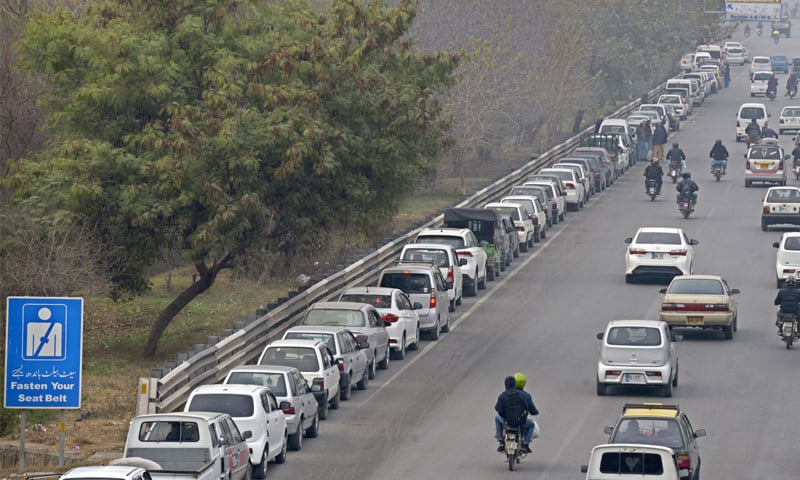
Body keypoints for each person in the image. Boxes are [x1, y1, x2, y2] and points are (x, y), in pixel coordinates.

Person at [513, 372, 540, 451]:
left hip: (508, 421)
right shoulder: (526, 395)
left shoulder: (506, 394)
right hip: (521, 421)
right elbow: (532, 410)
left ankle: (500, 439)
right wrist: (535, 412)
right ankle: (525, 444)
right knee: (531, 424)